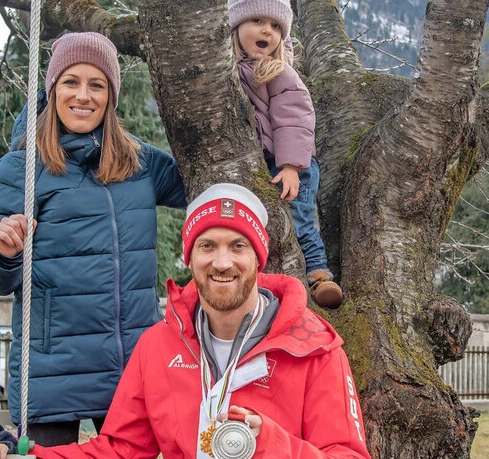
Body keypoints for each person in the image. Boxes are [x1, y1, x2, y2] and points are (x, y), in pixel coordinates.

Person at [30, 183, 370, 458]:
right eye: (207, 246)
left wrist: (273, 446)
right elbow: (122, 450)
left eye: (238, 246)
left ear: (259, 258)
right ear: (189, 258)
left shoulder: (314, 349)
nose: (222, 263)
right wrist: (30, 456)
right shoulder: (158, 345)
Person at [0, 32, 187, 446]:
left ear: (112, 96)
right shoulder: (24, 168)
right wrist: (4, 252)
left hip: (130, 369)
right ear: (52, 90)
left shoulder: (140, 164)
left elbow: (208, 179)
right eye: (71, 82)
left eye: (97, 84)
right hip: (51, 373)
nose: (83, 96)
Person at [227, 0, 343, 309]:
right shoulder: (230, 71)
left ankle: (319, 274)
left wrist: (291, 166)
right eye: (257, 21)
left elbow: (295, 120)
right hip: (267, 162)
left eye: (276, 26)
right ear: (235, 27)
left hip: (293, 164)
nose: (267, 30)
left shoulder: (278, 73)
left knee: (299, 217)